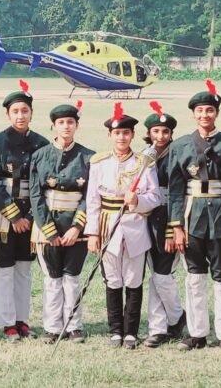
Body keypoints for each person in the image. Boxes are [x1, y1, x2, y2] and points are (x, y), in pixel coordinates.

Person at [167, 79, 221, 351]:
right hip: (192, 215)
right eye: (199, 111)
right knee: (194, 277)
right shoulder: (182, 145)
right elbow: (175, 189)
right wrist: (176, 226)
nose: (204, 115)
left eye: (209, 110)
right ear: (193, 114)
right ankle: (196, 333)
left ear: (216, 113)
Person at [85, 103, 162, 349]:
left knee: (133, 280)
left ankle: (131, 332)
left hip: (135, 225)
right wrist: (93, 233)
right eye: (117, 133)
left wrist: (138, 200)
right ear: (110, 135)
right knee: (113, 280)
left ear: (132, 135)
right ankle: (115, 330)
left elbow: (156, 197)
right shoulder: (99, 162)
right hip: (109, 224)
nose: (121, 137)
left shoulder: (144, 162)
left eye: (126, 133)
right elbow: (92, 200)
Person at [0, 80, 50, 341]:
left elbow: (44, 186)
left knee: (24, 269)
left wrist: (30, 217)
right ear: (7, 114)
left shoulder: (42, 143)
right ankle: (7, 323)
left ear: (31, 113)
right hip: (4, 217)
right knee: (5, 270)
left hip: (32, 214)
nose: (20, 116)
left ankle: (22, 320)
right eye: (15, 111)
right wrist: (14, 216)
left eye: (25, 111)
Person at [29, 101, 94, 344]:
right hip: (48, 227)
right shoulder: (39, 156)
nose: (66, 127)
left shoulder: (88, 157)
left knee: (72, 278)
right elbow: (35, 196)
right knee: (52, 279)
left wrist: (77, 227)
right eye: (61, 123)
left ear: (77, 125)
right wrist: (48, 230)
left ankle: (74, 326)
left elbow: (90, 196)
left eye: (70, 122)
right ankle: (52, 326)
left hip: (76, 227)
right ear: (53, 126)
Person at [142, 101, 187, 348]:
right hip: (144, 221)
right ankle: (158, 327)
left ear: (171, 134)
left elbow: (178, 195)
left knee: (163, 276)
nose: (160, 136)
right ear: (149, 133)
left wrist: (172, 229)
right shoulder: (142, 156)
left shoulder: (177, 156)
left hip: (168, 221)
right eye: (156, 131)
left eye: (165, 132)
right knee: (153, 275)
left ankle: (176, 316)